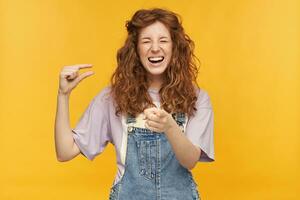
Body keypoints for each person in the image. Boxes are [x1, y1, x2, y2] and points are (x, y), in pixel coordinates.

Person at [54, 8, 214, 200]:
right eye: (146, 41)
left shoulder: (196, 98)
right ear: (136, 50)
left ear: (175, 47)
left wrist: (170, 126)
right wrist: (63, 95)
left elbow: (189, 160)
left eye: (163, 40)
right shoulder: (112, 98)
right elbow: (64, 152)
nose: (155, 48)